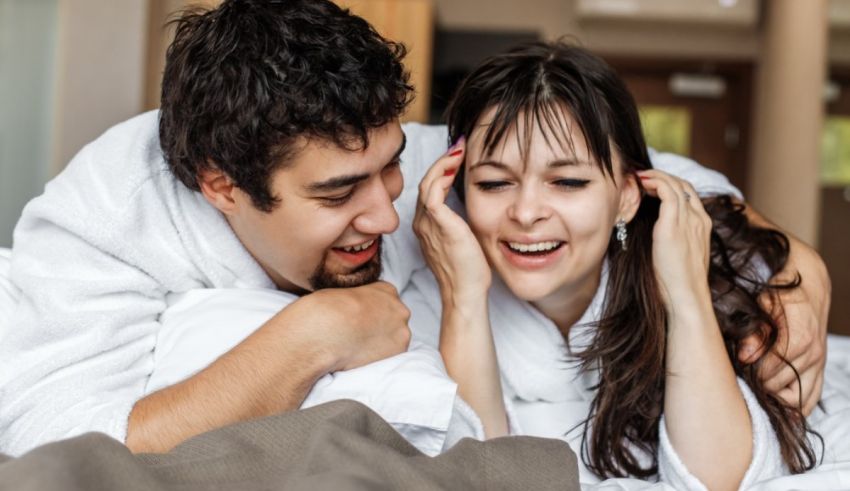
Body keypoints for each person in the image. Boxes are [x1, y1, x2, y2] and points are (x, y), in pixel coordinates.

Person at [0, 0, 829, 459]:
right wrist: (313, 334)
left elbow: (606, 170)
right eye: (338, 195)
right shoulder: (109, 217)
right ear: (221, 186)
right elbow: (55, 446)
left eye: (391, 167)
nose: (387, 212)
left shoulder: (386, 155)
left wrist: (792, 261)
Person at [405, 41, 827, 490]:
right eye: (493, 183)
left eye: (567, 181)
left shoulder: (698, 274)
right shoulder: (428, 298)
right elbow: (470, 475)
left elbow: (722, 479)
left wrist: (685, 296)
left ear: (626, 197)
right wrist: (464, 298)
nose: (526, 213)